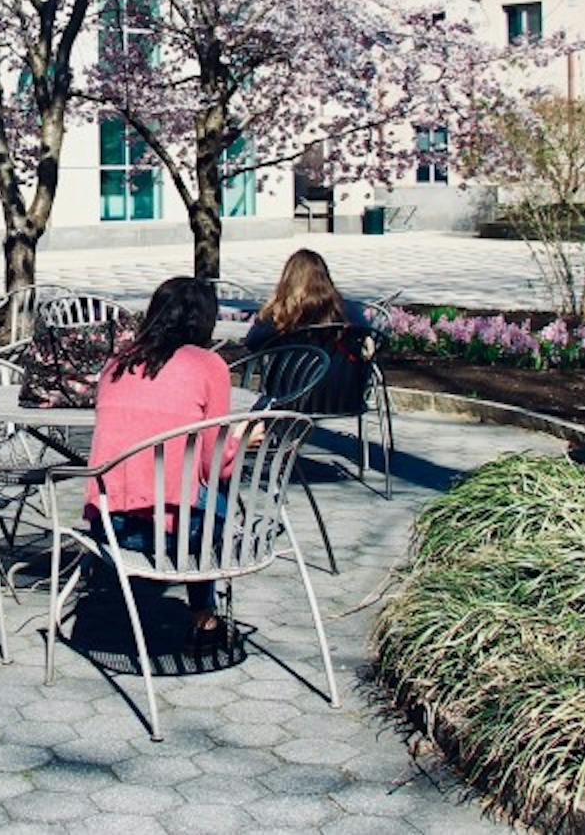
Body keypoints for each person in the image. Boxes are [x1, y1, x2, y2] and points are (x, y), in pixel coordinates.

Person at [85, 276, 236, 640]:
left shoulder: (115, 363)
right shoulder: (209, 365)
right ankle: (204, 615)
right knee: (214, 490)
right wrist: (241, 443)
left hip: (109, 528)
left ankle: (115, 598)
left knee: (161, 480)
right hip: (178, 533)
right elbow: (213, 466)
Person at [243, 248, 372, 409]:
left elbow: (252, 343)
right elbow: (369, 338)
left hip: (291, 396)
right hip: (344, 396)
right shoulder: (349, 310)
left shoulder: (280, 315)